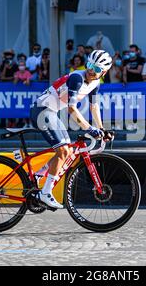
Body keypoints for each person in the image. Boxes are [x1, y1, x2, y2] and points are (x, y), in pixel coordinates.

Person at [30, 50, 114, 209]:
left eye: (96, 69)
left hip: (51, 112)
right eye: (89, 65)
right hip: (42, 111)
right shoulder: (77, 78)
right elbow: (71, 109)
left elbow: (94, 107)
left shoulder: (96, 83)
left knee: (67, 151)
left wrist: (101, 129)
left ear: (104, 72)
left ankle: (37, 176)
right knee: (63, 151)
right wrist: (90, 129)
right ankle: (45, 193)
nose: (91, 70)